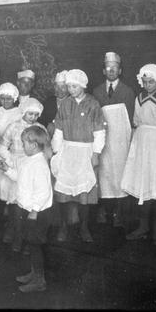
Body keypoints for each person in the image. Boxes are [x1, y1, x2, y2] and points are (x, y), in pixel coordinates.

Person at [120, 64, 156, 245]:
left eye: (151, 81)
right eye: (144, 81)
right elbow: (136, 124)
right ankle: (143, 227)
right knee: (141, 184)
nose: (147, 85)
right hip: (141, 145)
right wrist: (133, 149)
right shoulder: (140, 97)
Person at [51, 69, 106, 243]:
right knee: (63, 192)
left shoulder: (93, 104)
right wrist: (57, 150)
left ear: (82, 85)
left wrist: (96, 153)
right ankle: (63, 227)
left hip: (85, 151)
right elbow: (58, 129)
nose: (71, 89)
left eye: (74, 86)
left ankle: (84, 228)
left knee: (85, 193)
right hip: (67, 150)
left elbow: (99, 131)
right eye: (69, 86)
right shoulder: (65, 104)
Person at [0, 126, 53, 293]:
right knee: (31, 242)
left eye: (24, 143)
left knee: (35, 245)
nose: (22, 146)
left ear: (34, 145)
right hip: (28, 209)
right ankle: (34, 273)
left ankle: (39, 280)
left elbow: (43, 192)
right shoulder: (28, 160)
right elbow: (19, 178)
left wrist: (35, 211)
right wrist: (7, 170)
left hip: (37, 213)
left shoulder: (40, 164)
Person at [0, 97, 47, 252]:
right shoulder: (14, 126)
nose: (32, 117)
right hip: (15, 164)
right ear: (24, 112)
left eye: (35, 115)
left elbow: (45, 149)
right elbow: (2, 146)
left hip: (31, 165)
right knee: (15, 202)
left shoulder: (40, 128)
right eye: (29, 114)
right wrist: (9, 160)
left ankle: (26, 238)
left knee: (28, 202)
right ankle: (15, 232)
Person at [92, 52, 135, 228]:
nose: (111, 71)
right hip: (103, 138)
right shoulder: (96, 91)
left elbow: (131, 119)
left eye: (114, 68)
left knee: (120, 172)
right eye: (108, 68)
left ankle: (119, 213)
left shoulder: (128, 91)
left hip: (121, 141)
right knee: (104, 173)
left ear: (120, 70)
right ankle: (105, 210)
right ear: (104, 70)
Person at [38, 70, 69, 137]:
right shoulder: (49, 101)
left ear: (68, 88)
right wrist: (48, 124)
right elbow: (41, 120)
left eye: (63, 87)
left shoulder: (73, 102)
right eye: (57, 87)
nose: (59, 90)